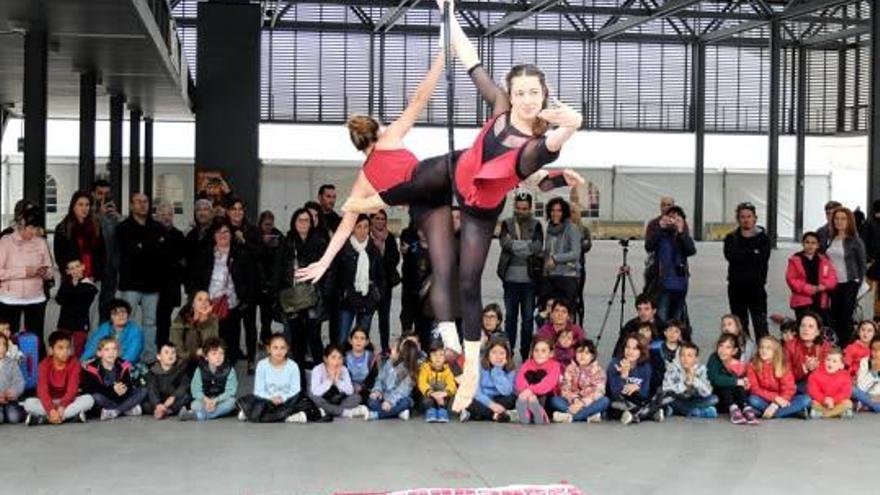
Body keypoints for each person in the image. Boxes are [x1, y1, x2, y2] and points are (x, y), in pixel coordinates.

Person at [339, 2, 584, 412]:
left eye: (534, 93)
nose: (525, 99)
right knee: (415, 183)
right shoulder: (502, 105)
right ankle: (371, 202)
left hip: (481, 207)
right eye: (520, 91)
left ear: (545, 96)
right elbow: (469, 58)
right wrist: (446, 10)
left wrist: (572, 124)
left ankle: (470, 363)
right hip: (456, 169)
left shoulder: (535, 147)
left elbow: (542, 159)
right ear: (512, 91)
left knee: (468, 282)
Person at [189, 218, 258, 370]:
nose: (223, 235)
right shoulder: (205, 253)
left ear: (232, 234)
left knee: (231, 337)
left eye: (226, 231)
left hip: (232, 302)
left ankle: (227, 367)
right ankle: (209, 367)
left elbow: (250, 278)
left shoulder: (240, 254)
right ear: (213, 235)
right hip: (209, 303)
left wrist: (245, 298)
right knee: (210, 337)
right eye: (219, 232)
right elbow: (195, 278)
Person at [273, 208, 327, 369]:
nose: (303, 224)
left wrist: (324, 292)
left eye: (306, 220)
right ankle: (299, 383)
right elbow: (278, 269)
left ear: (311, 223)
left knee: (315, 339)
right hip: (292, 299)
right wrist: (276, 295)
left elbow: (328, 270)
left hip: (313, 299)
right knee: (296, 341)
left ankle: (321, 378)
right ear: (293, 223)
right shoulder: (286, 242)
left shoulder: (319, 242)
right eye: (300, 220)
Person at [116, 193, 165, 360]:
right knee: (124, 320)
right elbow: (129, 253)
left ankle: (149, 356)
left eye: (145, 202)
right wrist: (146, 249)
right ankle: (123, 355)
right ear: (131, 205)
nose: (142, 205)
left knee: (150, 323)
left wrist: (142, 248)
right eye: (138, 202)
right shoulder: (123, 228)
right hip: (130, 283)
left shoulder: (157, 227)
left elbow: (159, 254)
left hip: (152, 283)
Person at [0, 206, 53, 357]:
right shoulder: (6, 241)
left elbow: (50, 272)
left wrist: (44, 273)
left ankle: (35, 373)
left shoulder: (41, 242)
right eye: (31, 228)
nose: (33, 232)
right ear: (21, 224)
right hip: (9, 298)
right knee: (7, 338)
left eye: (37, 228)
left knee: (36, 339)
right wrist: (24, 272)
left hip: (36, 297)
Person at [497, 191, 543, 360]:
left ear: (530, 208)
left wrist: (516, 245)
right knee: (510, 319)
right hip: (510, 279)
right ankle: (507, 353)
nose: (521, 211)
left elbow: (537, 247)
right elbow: (504, 243)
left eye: (524, 208)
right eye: (518, 208)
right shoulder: (506, 224)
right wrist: (526, 246)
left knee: (528, 321)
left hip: (529, 281)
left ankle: (525, 354)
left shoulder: (537, 225)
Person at [237, 334, 323, 423]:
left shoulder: (293, 366)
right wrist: (271, 398)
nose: (279, 351)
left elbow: (295, 390)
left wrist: (282, 398)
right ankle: (287, 417)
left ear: (287, 349)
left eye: (282, 348)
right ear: (268, 349)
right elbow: (258, 391)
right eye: (275, 348)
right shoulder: (262, 365)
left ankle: (253, 414)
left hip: (287, 401)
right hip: (267, 401)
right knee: (252, 399)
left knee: (304, 402)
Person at [23, 331, 95, 426]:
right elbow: (42, 390)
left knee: (89, 399)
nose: (65, 351)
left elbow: (72, 390)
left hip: (69, 402)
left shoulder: (74, 363)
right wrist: (51, 410)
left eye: (68, 348)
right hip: (49, 401)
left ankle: (44, 419)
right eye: (60, 348)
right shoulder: (44, 365)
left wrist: (62, 407)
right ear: (51, 350)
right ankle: (69, 417)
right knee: (28, 403)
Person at [334, 214, 385, 344]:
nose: (362, 231)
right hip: (347, 300)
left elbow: (380, 276)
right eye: (359, 227)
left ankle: (360, 364)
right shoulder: (344, 248)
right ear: (352, 229)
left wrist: (377, 295)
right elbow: (336, 274)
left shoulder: (373, 249)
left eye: (366, 227)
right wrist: (341, 293)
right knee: (342, 337)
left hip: (367, 299)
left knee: (361, 339)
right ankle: (341, 363)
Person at [723, 202, 771, 340]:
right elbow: (731, 256)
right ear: (738, 219)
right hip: (736, 289)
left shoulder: (763, 239)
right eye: (742, 217)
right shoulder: (731, 238)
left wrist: (743, 254)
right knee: (740, 326)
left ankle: (765, 356)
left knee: (760, 325)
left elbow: (762, 258)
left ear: (755, 218)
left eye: (749, 216)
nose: (746, 219)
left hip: (757, 289)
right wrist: (752, 252)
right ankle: (744, 355)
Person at [644, 205, 696, 323]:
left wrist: (681, 231)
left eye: (677, 219)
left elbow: (691, 250)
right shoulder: (661, 236)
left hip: (680, 285)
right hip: (663, 284)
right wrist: (661, 228)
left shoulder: (683, 237)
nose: (673, 221)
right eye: (670, 218)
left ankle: (675, 339)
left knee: (677, 318)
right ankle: (661, 339)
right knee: (661, 315)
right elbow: (649, 246)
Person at [826, 207, 867, 346]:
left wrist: (859, 283)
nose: (839, 221)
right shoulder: (830, 238)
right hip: (833, 284)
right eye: (836, 218)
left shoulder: (855, 241)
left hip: (850, 283)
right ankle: (837, 347)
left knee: (845, 317)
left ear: (849, 221)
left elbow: (862, 264)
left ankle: (847, 347)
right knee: (834, 315)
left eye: (843, 219)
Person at [53, 191, 105, 297]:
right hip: (72, 277)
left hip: (91, 277)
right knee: (70, 311)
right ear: (73, 206)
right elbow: (59, 255)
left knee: (88, 312)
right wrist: (71, 274)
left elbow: (102, 253)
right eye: (80, 204)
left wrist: (97, 274)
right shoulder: (63, 227)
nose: (84, 208)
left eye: (87, 205)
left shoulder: (95, 226)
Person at [81, 338, 147, 420]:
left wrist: (124, 389)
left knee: (143, 390)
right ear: (99, 353)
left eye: (114, 349)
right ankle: (126, 409)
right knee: (95, 397)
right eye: (107, 350)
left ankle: (115, 412)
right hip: (106, 399)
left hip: (121, 398)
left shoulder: (123, 364)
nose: (111, 353)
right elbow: (91, 389)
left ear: (118, 352)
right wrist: (112, 390)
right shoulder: (91, 367)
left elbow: (128, 384)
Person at [746, 336, 812, 419]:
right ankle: (792, 412)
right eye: (761, 347)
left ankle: (771, 413)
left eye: (768, 348)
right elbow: (754, 389)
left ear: (775, 351)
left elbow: (789, 389)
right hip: (765, 399)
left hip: (784, 399)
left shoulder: (783, 366)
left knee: (806, 399)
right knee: (753, 400)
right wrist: (775, 398)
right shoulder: (752, 366)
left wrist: (775, 404)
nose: (764, 350)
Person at [550, 339, 609, 423]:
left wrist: (582, 403)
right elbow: (565, 388)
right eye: (579, 352)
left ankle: (572, 417)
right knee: (554, 400)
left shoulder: (599, 371)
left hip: (589, 403)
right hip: (572, 402)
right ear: (575, 354)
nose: (582, 355)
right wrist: (575, 400)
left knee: (605, 401)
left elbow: (599, 392)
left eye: (586, 353)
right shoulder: (570, 368)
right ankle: (588, 416)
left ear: (592, 356)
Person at [179, 337, 238, 421]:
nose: (218, 357)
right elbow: (195, 390)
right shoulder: (200, 369)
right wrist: (206, 400)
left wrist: (215, 401)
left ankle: (200, 416)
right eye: (214, 354)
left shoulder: (229, 369)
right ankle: (213, 413)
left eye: (221, 353)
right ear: (206, 357)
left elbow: (230, 391)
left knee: (232, 402)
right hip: (205, 399)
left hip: (221, 400)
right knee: (194, 404)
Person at [607, 334, 661, 425]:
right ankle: (647, 413)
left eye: (635, 349)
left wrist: (637, 387)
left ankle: (635, 414)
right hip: (619, 401)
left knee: (653, 396)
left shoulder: (645, 367)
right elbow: (615, 392)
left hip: (637, 400)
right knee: (613, 407)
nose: (630, 352)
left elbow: (645, 393)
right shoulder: (615, 364)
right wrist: (624, 376)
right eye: (627, 347)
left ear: (641, 351)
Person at [153, 202, 186, 350]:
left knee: (165, 317)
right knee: (153, 318)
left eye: (169, 214)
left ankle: (163, 345)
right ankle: (153, 346)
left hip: (171, 283)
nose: (166, 218)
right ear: (157, 215)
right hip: (154, 283)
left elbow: (182, 260)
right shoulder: (151, 232)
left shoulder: (178, 235)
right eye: (163, 214)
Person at [786, 231, 838, 321]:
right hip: (802, 301)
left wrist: (824, 286)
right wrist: (810, 289)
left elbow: (832, 278)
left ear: (818, 245)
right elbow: (791, 279)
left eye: (813, 243)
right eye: (807, 242)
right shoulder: (795, 260)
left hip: (820, 301)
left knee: (820, 327)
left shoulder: (824, 260)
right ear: (803, 244)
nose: (810, 246)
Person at [462, 337, 517, 422]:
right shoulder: (479, 365)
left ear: (507, 355)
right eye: (494, 352)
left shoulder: (510, 368)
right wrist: (491, 405)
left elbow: (507, 391)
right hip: (482, 399)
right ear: (488, 354)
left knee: (511, 398)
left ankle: (480, 415)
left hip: (499, 398)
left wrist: (497, 370)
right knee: (468, 400)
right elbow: (476, 391)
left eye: (502, 353)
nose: (498, 356)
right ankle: (496, 415)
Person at [369, 210, 401, 355]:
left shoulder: (389, 238)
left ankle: (385, 347)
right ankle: (365, 346)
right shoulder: (366, 236)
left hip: (385, 283)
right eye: (377, 218)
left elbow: (395, 258)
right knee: (366, 317)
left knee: (384, 317)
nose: (380, 221)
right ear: (371, 220)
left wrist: (382, 258)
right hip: (368, 283)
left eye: (383, 219)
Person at [708, 333, 758, 425]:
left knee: (738, 384)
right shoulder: (714, 358)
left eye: (728, 347)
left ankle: (745, 407)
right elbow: (714, 379)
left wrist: (745, 383)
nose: (723, 350)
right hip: (720, 398)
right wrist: (736, 381)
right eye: (721, 346)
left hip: (736, 398)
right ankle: (733, 408)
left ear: (734, 351)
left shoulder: (737, 364)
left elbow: (743, 383)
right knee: (726, 383)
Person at [541, 197, 582, 308]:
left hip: (567, 277)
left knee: (564, 313)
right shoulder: (549, 229)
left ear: (564, 212)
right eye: (553, 210)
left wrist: (555, 258)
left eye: (559, 210)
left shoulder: (571, 228)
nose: (555, 213)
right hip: (550, 277)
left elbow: (575, 253)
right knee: (548, 312)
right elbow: (548, 251)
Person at [366, 339, 420, 421]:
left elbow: (401, 391)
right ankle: (398, 413)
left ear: (401, 354)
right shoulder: (388, 363)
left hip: (398, 399)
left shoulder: (410, 372)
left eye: (394, 348)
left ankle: (378, 414)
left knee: (405, 403)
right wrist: (377, 391)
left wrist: (390, 402)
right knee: (371, 401)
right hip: (384, 395)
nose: (391, 349)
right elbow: (380, 379)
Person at [92, 179, 123, 322]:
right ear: (93, 194)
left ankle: (104, 338)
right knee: (90, 308)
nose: (103, 198)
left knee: (107, 306)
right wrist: (99, 215)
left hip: (111, 268)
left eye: (107, 194)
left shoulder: (115, 217)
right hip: (94, 268)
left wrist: (119, 218)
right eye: (100, 194)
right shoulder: (89, 215)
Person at [660, 342, 718, 418]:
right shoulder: (672, 368)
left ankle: (687, 411)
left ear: (696, 359)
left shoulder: (701, 369)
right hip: (677, 399)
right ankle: (697, 412)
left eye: (689, 356)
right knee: (667, 400)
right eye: (682, 355)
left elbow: (707, 391)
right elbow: (666, 389)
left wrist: (693, 379)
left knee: (714, 399)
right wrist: (685, 384)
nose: (685, 359)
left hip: (694, 399)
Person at [55, 259, 99, 357]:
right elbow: (59, 300)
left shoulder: (89, 286)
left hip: (80, 323)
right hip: (64, 321)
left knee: (79, 350)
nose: (75, 270)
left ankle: (77, 369)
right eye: (72, 268)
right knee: (61, 347)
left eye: (77, 266)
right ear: (68, 272)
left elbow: (83, 303)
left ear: (83, 267)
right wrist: (71, 286)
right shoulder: (66, 284)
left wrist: (74, 287)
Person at [310, 344, 367, 419]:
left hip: (339, 400)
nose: (337, 361)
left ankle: (328, 411)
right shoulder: (317, 369)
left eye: (340, 358)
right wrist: (330, 380)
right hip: (324, 399)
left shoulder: (343, 369)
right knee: (314, 398)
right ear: (325, 359)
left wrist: (337, 381)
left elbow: (350, 391)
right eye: (333, 357)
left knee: (357, 397)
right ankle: (344, 412)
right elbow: (315, 392)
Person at [82, 298, 145, 365]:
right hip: (105, 364)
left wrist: (112, 368)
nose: (121, 315)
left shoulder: (135, 331)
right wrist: (83, 362)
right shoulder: (104, 328)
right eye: (116, 313)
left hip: (127, 366)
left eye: (123, 312)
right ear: (110, 316)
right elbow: (91, 347)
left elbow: (131, 356)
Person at [515, 337, 560, 425]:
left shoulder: (555, 365)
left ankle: (540, 413)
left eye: (543, 351)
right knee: (527, 378)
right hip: (527, 396)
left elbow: (548, 384)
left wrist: (530, 390)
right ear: (532, 352)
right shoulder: (527, 364)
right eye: (536, 350)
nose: (539, 354)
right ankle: (527, 415)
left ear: (551, 353)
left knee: (541, 376)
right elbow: (519, 381)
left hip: (546, 398)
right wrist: (528, 393)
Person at [169, 290, 220, 365]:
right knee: (191, 333)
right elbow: (177, 352)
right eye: (200, 299)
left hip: (206, 363)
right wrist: (195, 353)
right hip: (183, 364)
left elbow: (212, 345)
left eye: (207, 300)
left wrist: (204, 321)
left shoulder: (212, 319)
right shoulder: (179, 321)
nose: (204, 303)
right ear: (193, 303)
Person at [143, 342, 191, 419]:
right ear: (159, 356)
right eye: (166, 352)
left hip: (173, 399)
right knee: (146, 403)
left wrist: (174, 396)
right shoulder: (153, 371)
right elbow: (152, 389)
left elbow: (184, 385)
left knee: (186, 396)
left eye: (173, 352)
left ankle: (167, 411)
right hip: (159, 400)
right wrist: (157, 404)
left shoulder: (180, 368)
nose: (170, 355)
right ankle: (161, 409)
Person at [256, 210, 284, 344]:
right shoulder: (256, 235)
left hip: (274, 278)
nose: (268, 227)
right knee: (264, 314)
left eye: (270, 225)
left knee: (271, 312)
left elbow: (279, 259)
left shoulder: (277, 235)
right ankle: (265, 336)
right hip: (259, 279)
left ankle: (267, 336)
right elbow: (256, 257)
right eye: (266, 225)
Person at [784, 312, 831, 389]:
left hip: (820, 383)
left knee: (850, 388)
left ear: (817, 332)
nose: (806, 329)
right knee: (807, 397)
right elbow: (786, 375)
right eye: (803, 326)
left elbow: (831, 371)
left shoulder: (825, 346)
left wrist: (817, 367)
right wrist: (805, 367)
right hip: (796, 385)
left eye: (811, 326)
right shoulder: (789, 346)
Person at [807, 348, 854, 419]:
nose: (830, 363)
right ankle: (836, 413)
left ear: (841, 365)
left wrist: (833, 400)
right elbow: (813, 391)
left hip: (837, 403)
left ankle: (826, 414)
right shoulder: (815, 374)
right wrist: (824, 400)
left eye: (834, 361)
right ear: (824, 360)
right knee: (813, 402)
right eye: (828, 360)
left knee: (848, 403)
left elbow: (846, 393)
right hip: (821, 403)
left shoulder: (845, 376)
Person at [419, 341, 458, 423]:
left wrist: (444, 394)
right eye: (434, 355)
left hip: (443, 396)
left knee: (451, 396)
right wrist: (432, 393)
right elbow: (422, 382)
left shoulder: (448, 369)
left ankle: (443, 410)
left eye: (441, 355)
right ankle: (430, 410)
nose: (437, 358)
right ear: (430, 356)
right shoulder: (425, 367)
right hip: (430, 395)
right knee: (425, 398)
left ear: (445, 357)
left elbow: (452, 384)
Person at [183, 199, 215, 288]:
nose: (202, 213)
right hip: (193, 286)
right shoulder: (190, 234)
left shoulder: (218, 232)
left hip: (213, 286)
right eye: (199, 210)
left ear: (212, 213)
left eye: (205, 209)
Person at [345, 327, 379, 403]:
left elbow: (373, 377)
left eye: (362, 338)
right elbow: (342, 377)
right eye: (355, 338)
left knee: (372, 399)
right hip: (348, 388)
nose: (358, 341)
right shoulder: (344, 357)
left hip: (365, 390)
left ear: (367, 342)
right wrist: (353, 386)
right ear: (350, 341)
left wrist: (362, 387)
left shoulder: (371, 357)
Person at [860, 200, 880, 320]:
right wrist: (868, 260)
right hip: (871, 265)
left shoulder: (868, 223)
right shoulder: (869, 224)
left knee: (870, 293)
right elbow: (863, 244)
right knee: (866, 291)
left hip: (873, 264)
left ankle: (876, 319)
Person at [0, 333, 25, 424]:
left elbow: (19, 381)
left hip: (10, 401)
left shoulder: (12, 363)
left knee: (14, 418)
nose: (2, 348)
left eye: (4, 344)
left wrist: (14, 391)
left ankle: (23, 410)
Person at [853, 337, 880, 412]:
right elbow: (861, 388)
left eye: (879, 349)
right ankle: (869, 405)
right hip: (866, 395)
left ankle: (866, 405)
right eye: (874, 349)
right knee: (852, 389)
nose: (877, 353)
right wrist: (873, 372)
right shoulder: (865, 361)